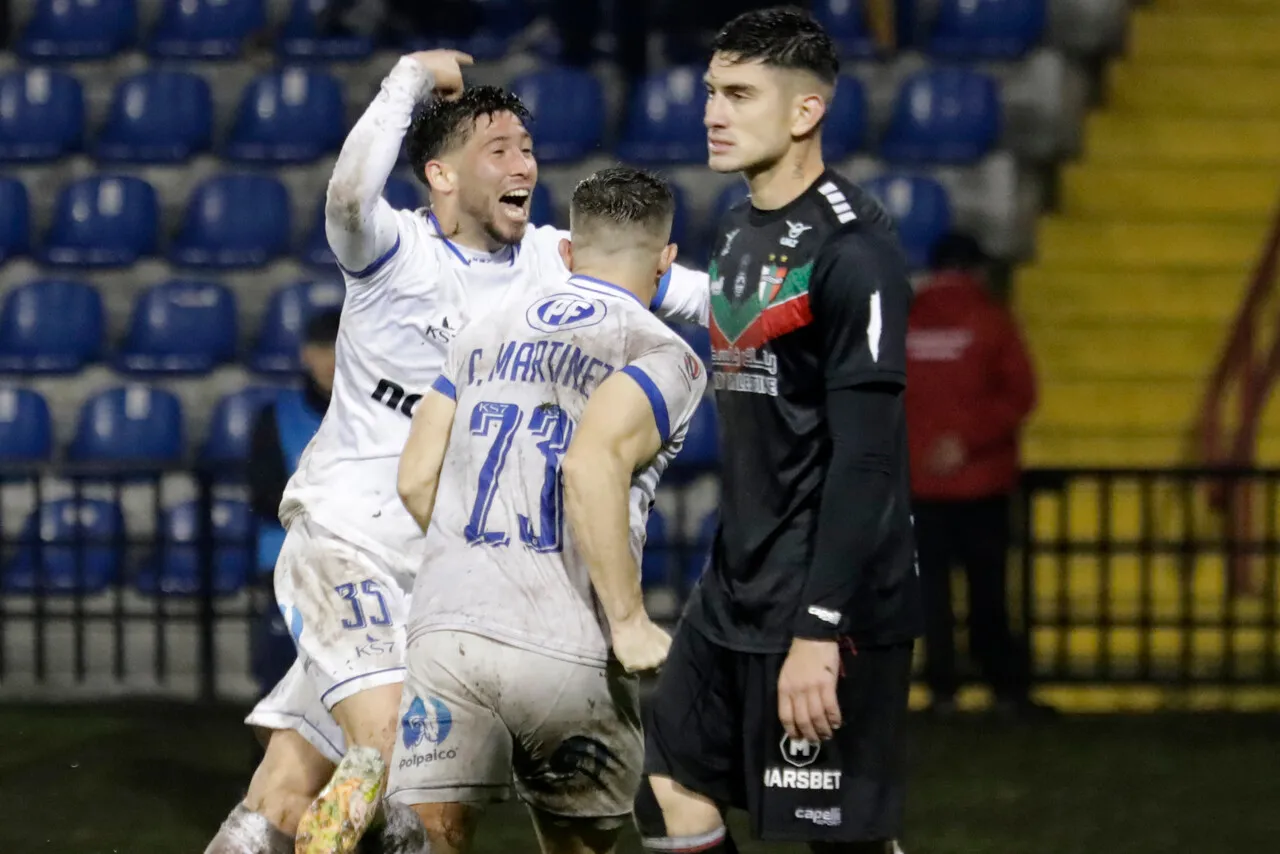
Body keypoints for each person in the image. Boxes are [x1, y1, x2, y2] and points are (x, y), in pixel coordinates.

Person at [203, 50, 710, 854]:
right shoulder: (390, 252)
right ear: (440, 175)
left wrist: (792, 305)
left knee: (287, 792)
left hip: (439, 581)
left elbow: (682, 290)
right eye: (498, 150)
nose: (525, 165)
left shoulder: (552, 262)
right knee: (399, 753)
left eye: (528, 148)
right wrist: (406, 80)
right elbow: (344, 192)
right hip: (349, 546)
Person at [636, 8, 920, 853]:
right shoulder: (736, 224)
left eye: (739, 94)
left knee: (840, 838)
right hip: (740, 581)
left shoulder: (856, 252)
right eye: (711, 92)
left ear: (805, 112)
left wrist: (819, 631)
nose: (713, 113)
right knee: (665, 791)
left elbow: (867, 459)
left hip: (831, 597)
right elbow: (748, 322)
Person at [378, 165, 706, 854]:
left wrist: (473, 558)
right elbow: (591, 466)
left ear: (566, 252)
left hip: (450, 633)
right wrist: (630, 623)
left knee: (433, 840)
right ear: (666, 260)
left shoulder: (479, 333)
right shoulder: (660, 353)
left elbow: (414, 479)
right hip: (566, 643)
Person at [905, 232, 1043, 718]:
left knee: (932, 595)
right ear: (976, 270)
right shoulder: (990, 320)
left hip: (921, 486)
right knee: (989, 591)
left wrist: (918, 450)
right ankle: (1003, 685)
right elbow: (1020, 395)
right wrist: (966, 443)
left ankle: (942, 689)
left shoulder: (905, 322)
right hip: (982, 482)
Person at [247, 309, 340, 704]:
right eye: (322, 349)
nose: (330, 361)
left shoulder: (377, 411)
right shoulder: (275, 415)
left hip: (358, 559)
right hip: (288, 559)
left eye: (339, 348)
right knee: (282, 680)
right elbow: (264, 494)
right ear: (306, 354)